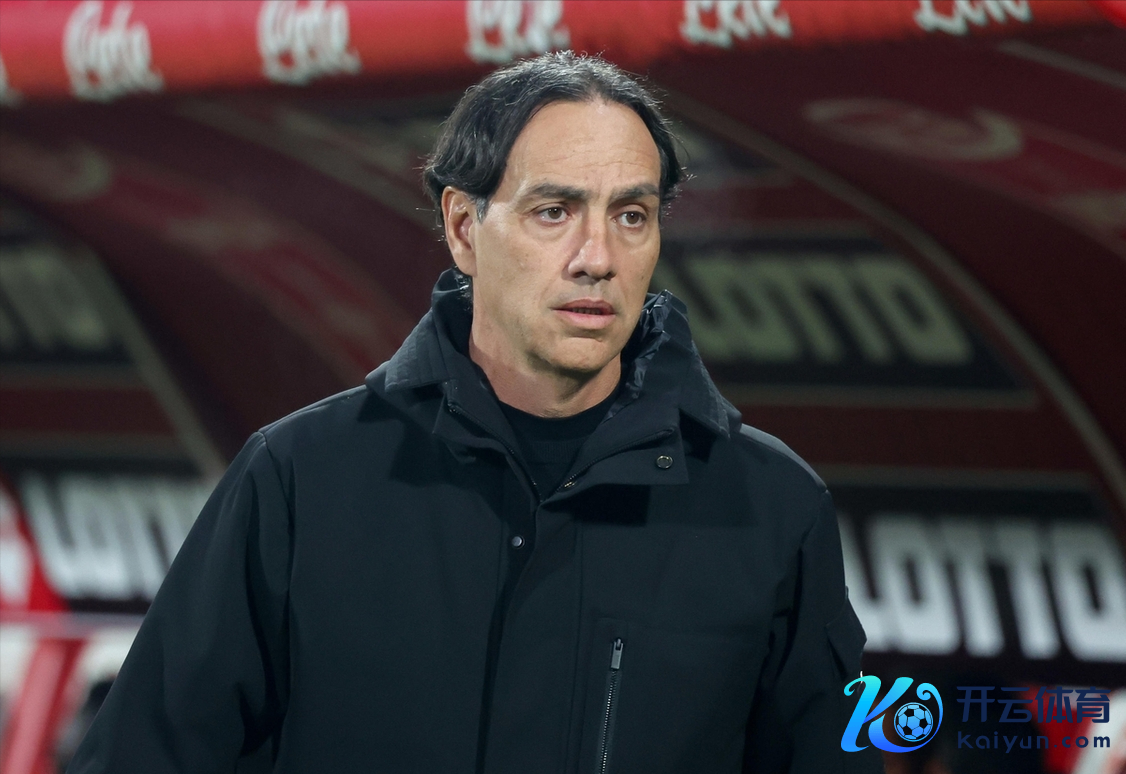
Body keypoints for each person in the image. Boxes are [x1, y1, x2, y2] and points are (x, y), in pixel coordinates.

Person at [69, 52, 882, 774]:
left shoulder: (771, 506)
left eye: (631, 215)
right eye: (554, 211)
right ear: (464, 227)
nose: (597, 257)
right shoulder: (300, 480)